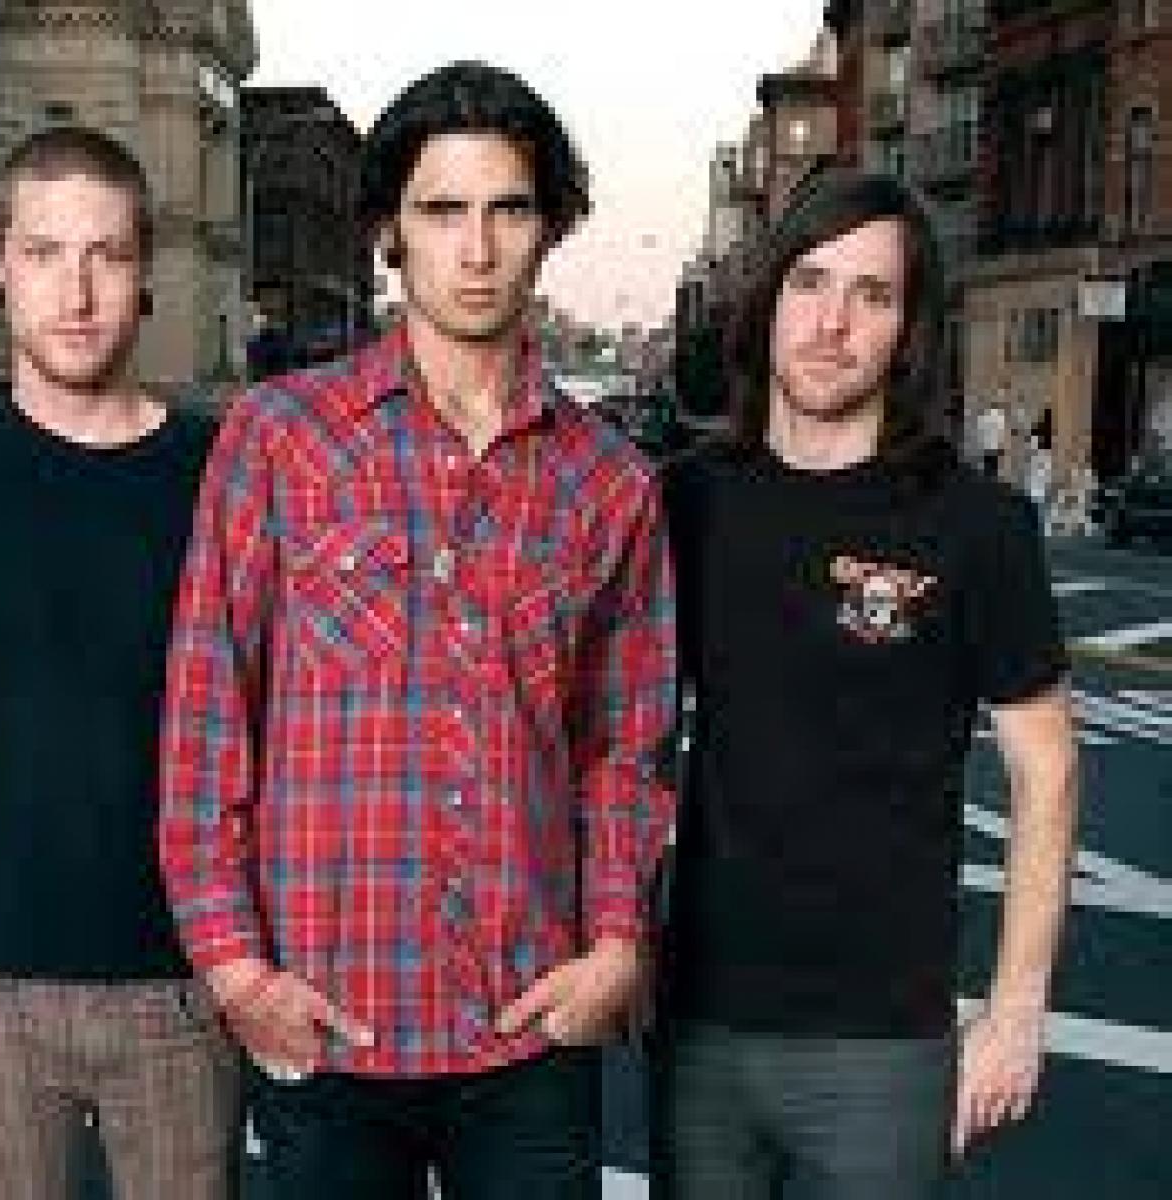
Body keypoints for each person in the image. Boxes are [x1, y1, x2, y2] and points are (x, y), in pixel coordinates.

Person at [159, 60, 678, 1199]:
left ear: (550, 228)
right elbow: (207, 724)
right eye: (442, 211)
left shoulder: (609, 483)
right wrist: (237, 973)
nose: (476, 249)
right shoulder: (278, 439)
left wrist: (614, 949)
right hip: (326, 1021)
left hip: (531, 1027)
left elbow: (625, 750)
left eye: (509, 209)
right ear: (389, 232)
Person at [654, 169, 1079, 1199]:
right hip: (698, 1027)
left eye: (871, 294)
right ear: (767, 302)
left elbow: (1048, 770)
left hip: (882, 1047)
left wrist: (1015, 1013)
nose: (832, 322)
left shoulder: (978, 525)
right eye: (809, 282)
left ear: (907, 330)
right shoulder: (680, 503)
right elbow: (608, 735)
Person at [0, 127, 240, 1200]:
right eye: (43, 253)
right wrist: (8, 883)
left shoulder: (223, 477)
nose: (75, 292)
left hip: (185, 981)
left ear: (144, 269)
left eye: (106, 255)